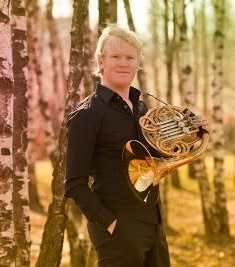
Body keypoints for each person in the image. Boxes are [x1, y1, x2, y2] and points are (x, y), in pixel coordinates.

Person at [65, 25, 170, 267]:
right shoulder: (87, 115)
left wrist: (193, 131)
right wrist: (110, 224)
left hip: (153, 221)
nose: (123, 63)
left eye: (130, 57)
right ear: (100, 61)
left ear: (137, 64)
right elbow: (74, 184)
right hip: (119, 225)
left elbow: (154, 157)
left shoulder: (142, 109)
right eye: (115, 56)